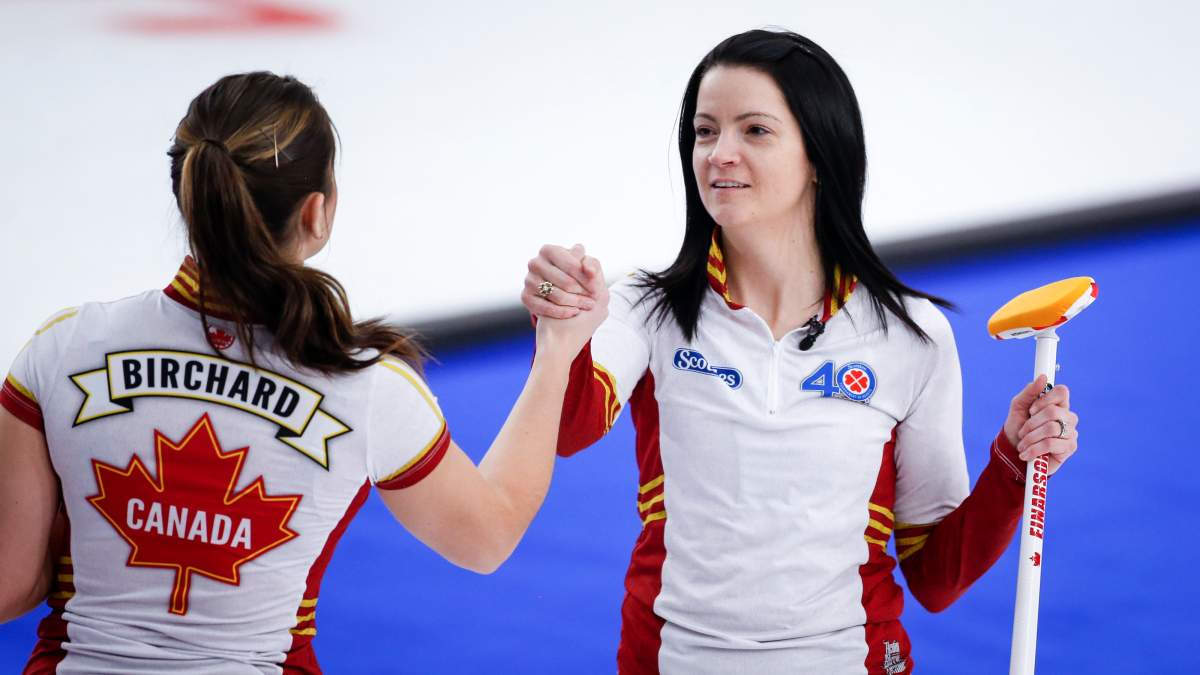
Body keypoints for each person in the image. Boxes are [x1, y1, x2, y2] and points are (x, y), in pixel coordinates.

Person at [0, 71, 608, 673]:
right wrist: (557, 350)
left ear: (189, 195)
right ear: (317, 210)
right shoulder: (369, 387)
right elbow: (488, 537)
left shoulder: (62, 349)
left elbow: (11, 585)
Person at [522, 30, 1079, 674]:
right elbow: (566, 432)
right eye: (706, 132)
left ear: (819, 154)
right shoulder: (644, 307)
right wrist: (563, 332)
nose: (719, 154)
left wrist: (1015, 463)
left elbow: (935, 575)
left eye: (754, 130)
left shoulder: (910, 333)